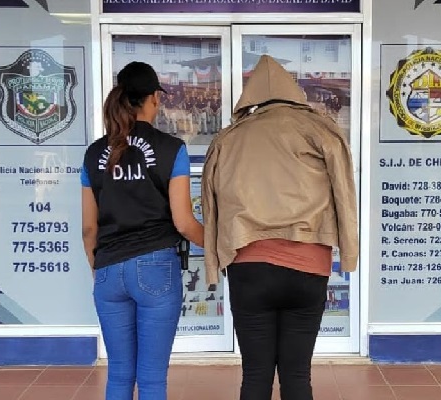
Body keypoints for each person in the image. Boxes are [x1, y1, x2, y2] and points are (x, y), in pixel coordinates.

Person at [202, 55, 359, 400]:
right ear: (294, 92)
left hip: (248, 267)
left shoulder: (228, 139)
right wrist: (349, 254)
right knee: (297, 374)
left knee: (255, 374)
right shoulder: (322, 130)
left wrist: (213, 266)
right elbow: (345, 196)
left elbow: (212, 207)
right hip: (308, 265)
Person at [81, 61, 203, 400]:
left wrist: (101, 269)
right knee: (151, 379)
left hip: (107, 268)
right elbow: (183, 223)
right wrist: (218, 243)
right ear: (152, 99)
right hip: (155, 269)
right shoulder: (171, 148)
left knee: (119, 374)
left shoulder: (93, 154)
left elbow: (88, 228)